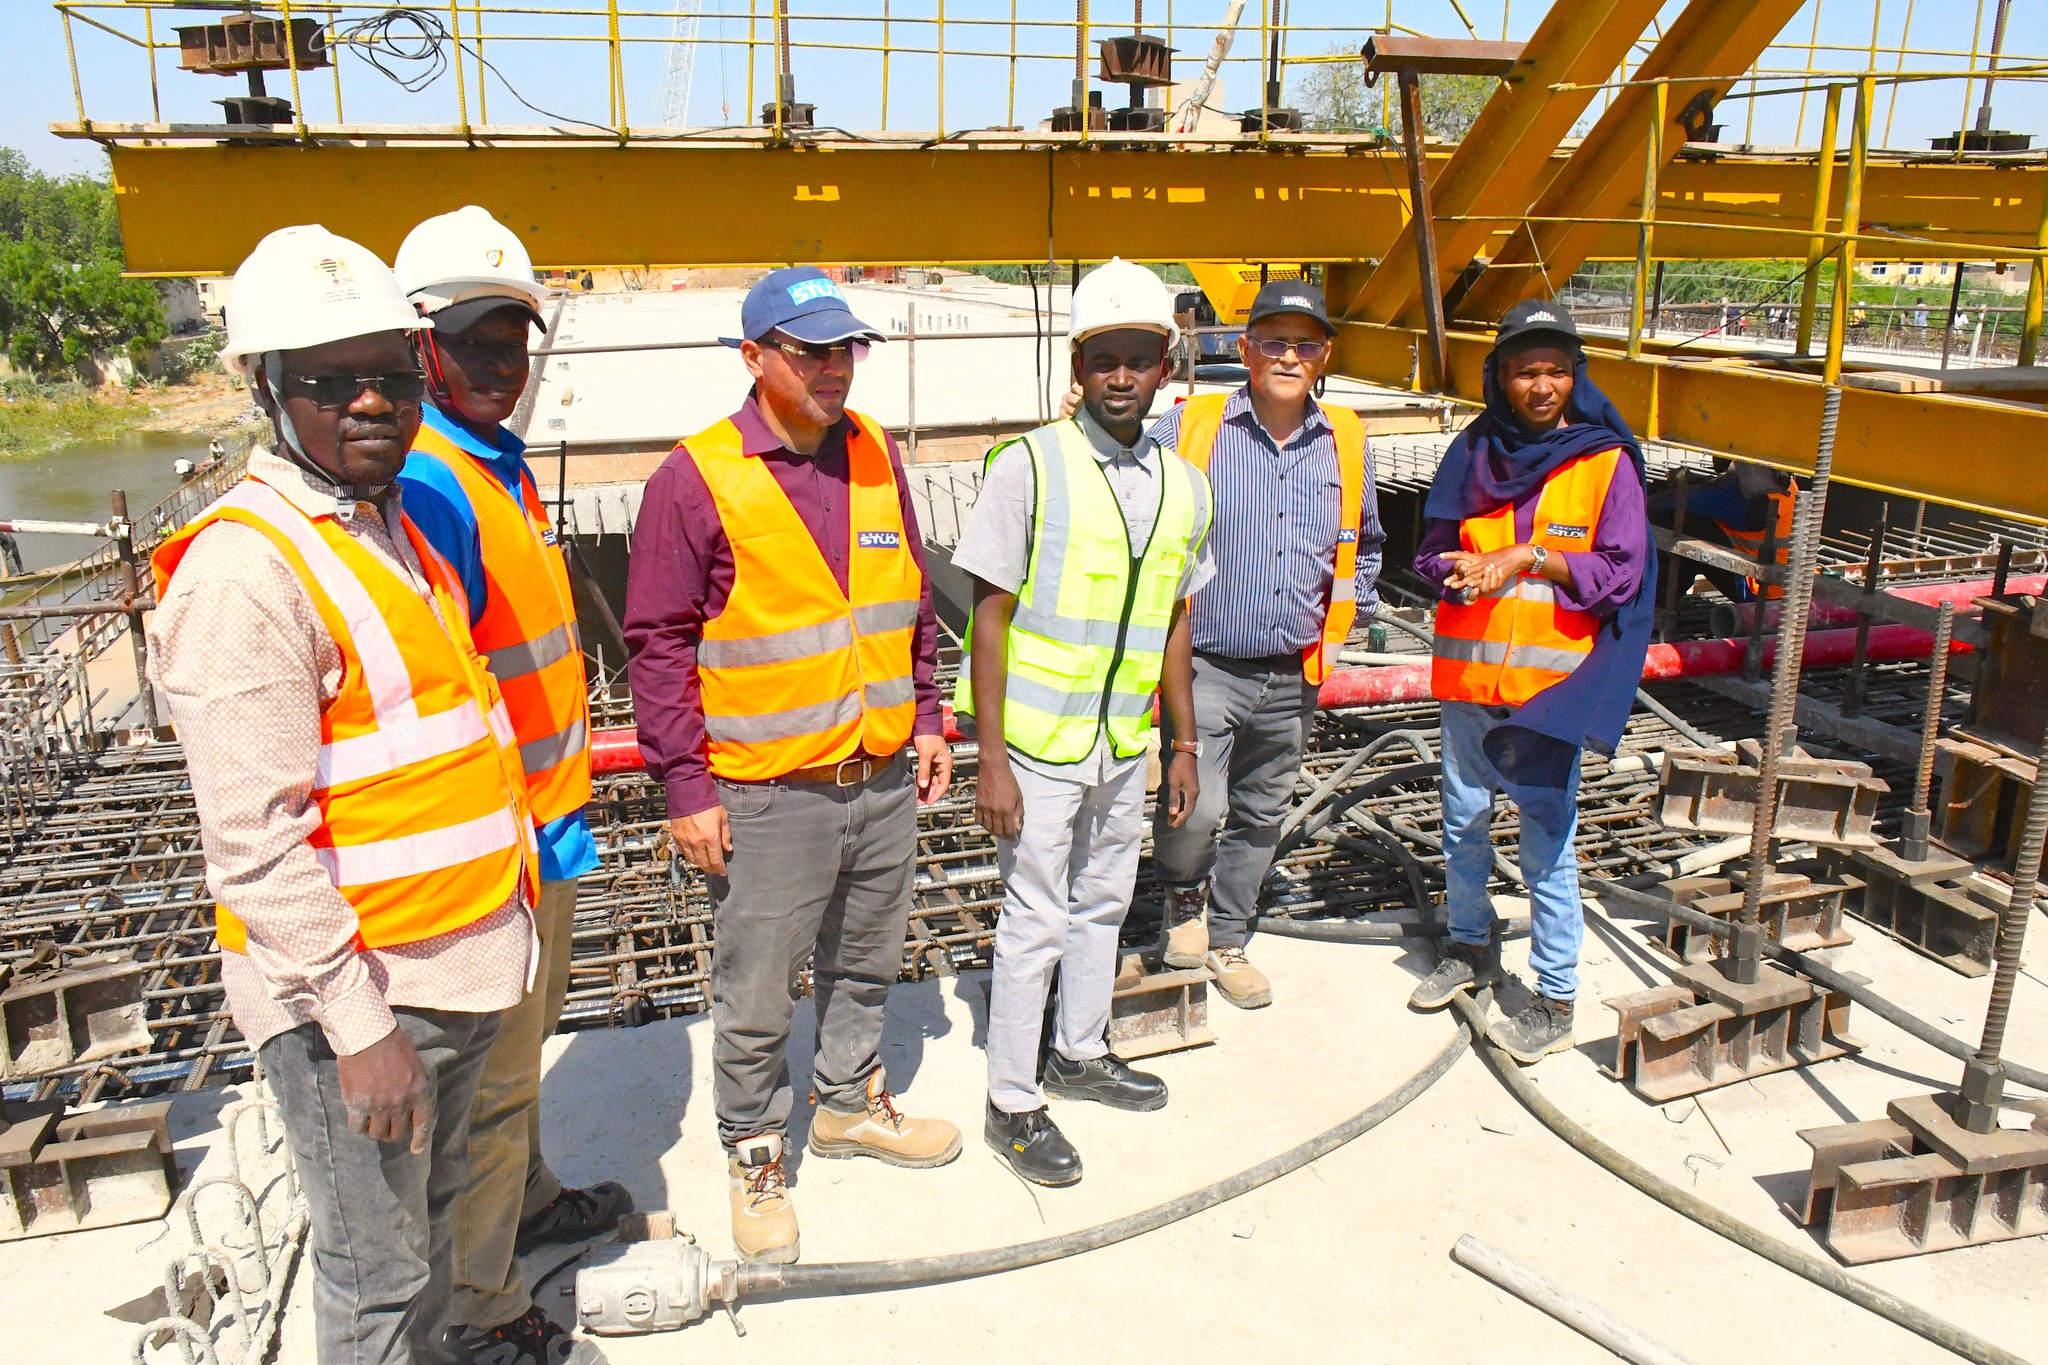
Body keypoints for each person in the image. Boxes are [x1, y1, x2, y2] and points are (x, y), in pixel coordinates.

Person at [148, 226, 542, 1364]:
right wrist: (358, 1028)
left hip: (455, 967)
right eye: (328, 382)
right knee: (377, 1283)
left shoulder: (385, 525)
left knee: (424, 1239)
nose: (370, 404)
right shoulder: (244, 573)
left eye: (389, 376)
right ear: (266, 389)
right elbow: (253, 847)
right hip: (364, 1002)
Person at [623, 268, 960, 1267]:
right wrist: (685, 788)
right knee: (758, 987)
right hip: (767, 793)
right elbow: (657, 644)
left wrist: (931, 715)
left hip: (882, 776)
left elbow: (908, 598)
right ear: (754, 358)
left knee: (866, 958)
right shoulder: (696, 478)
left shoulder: (872, 454)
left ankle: (850, 1101)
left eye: (843, 350)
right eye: (807, 351)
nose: (831, 371)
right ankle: (757, 1152)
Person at [393, 206, 626, 1364]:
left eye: (513, 337)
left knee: (519, 1064)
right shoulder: (434, 482)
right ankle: (480, 1310)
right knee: (484, 1093)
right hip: (501, 851)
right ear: (418, 344)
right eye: (474, 338)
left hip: (549, 830)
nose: (500, 361)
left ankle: (526, 1204)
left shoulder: (494, 467)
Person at [954, 259, 1213, 1187]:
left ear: (1164, 366)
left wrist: (1180, 742)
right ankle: (1013, 1098)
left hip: (1121, 745)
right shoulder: (1028, 466)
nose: (1119, 375)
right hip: (1036, 743)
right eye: (1102, 358)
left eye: (1137, 358)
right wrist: (991, 757)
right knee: (1035, 917)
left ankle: (1080, 1046)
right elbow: (988, 611)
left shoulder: (1185, 486)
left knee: (1105, 900)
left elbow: (1176, 617)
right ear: (1078, 364)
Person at [1405, 300, 1653, 1065]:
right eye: (1524, 370)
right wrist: (1458, 570)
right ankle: (1471, 946)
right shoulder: (1473, 453)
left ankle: (1553, 996)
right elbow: (1429, 553)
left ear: (1573, 376)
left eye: (1554, 370)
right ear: (1501, 378)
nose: (1540, 385)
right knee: (1462, 821)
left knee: (1548, 843)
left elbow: (1623, 572)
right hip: (1471, 681)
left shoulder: (1603, 462)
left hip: (1549, 691)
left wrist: (1528, 558)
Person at [1144, 278, 1382, 1010]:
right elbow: (1119, 471)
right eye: (1273, 342)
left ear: (1325, 356)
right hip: (1206, 662)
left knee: (1260, 809)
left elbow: (1365, 541)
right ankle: (1183, 907)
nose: (1288, 355)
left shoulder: (1345, 437)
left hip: (1296, 670)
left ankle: (1229, 936)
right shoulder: (1195, 425)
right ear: (1244, 349)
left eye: (1304, 344)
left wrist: (1354, 613)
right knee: (1198, 802)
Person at [1649, 459, 1796, 604]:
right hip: (1787, 588)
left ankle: (1660, 601)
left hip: (1759, 592)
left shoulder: (1742, 497)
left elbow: (1661, 505)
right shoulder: (1783, 485)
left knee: (1673, 518)